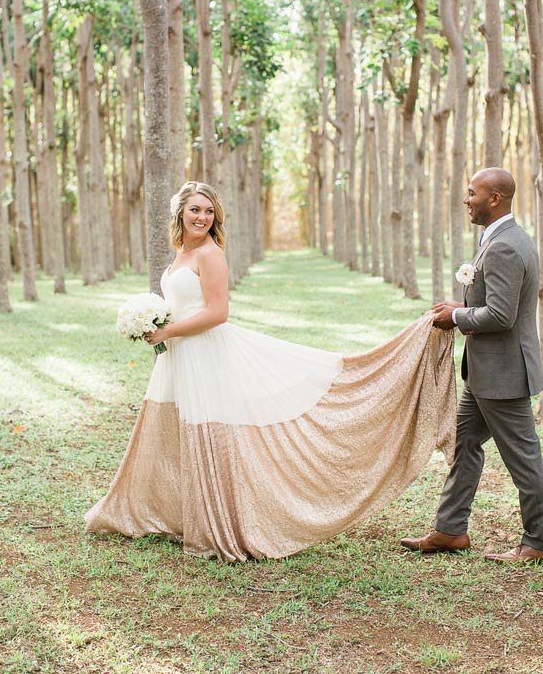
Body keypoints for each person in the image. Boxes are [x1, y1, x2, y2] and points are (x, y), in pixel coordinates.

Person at [86, 180, 457, 562]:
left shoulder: (210, 254)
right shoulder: (181, 253)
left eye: (208, 211)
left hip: (205, 354)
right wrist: (154, 323)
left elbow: (217, 314)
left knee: (210, 431)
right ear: (180, 212)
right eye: (195, 209)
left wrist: (168, 330)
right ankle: (178, 511)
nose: (202, 217)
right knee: (175, 429)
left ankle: (224, 522)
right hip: (179, 357)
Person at [401, 167, 543, 564]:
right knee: (464, 443)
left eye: (472, 193)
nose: (466, 199)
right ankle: (450, 530)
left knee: (524, 458)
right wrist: (462, 308)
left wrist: (456, 316)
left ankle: (539, 542)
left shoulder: (506, 245)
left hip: (503, 377)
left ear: (495, 199)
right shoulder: (501, 238)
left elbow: (502, 316)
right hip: (486, 374)